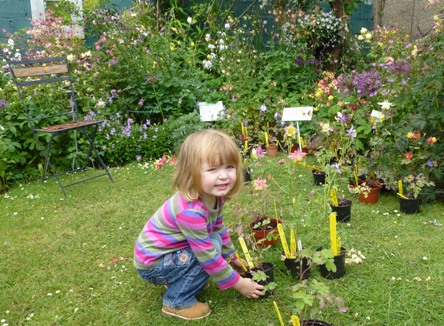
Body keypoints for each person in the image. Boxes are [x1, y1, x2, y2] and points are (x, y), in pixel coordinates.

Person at [133, 129, 264, 321]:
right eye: (212, 169)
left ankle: (183, 278)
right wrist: (240, 284)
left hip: (168, 256)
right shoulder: (191, 211)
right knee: (211, 249)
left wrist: (232, 257)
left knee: (216, 240)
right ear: (191, 173)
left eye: (229, 167)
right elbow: (207, 255)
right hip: (153, 265)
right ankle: (176, 301)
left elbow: (218, 227)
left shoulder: (213, 197)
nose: (223, 176)